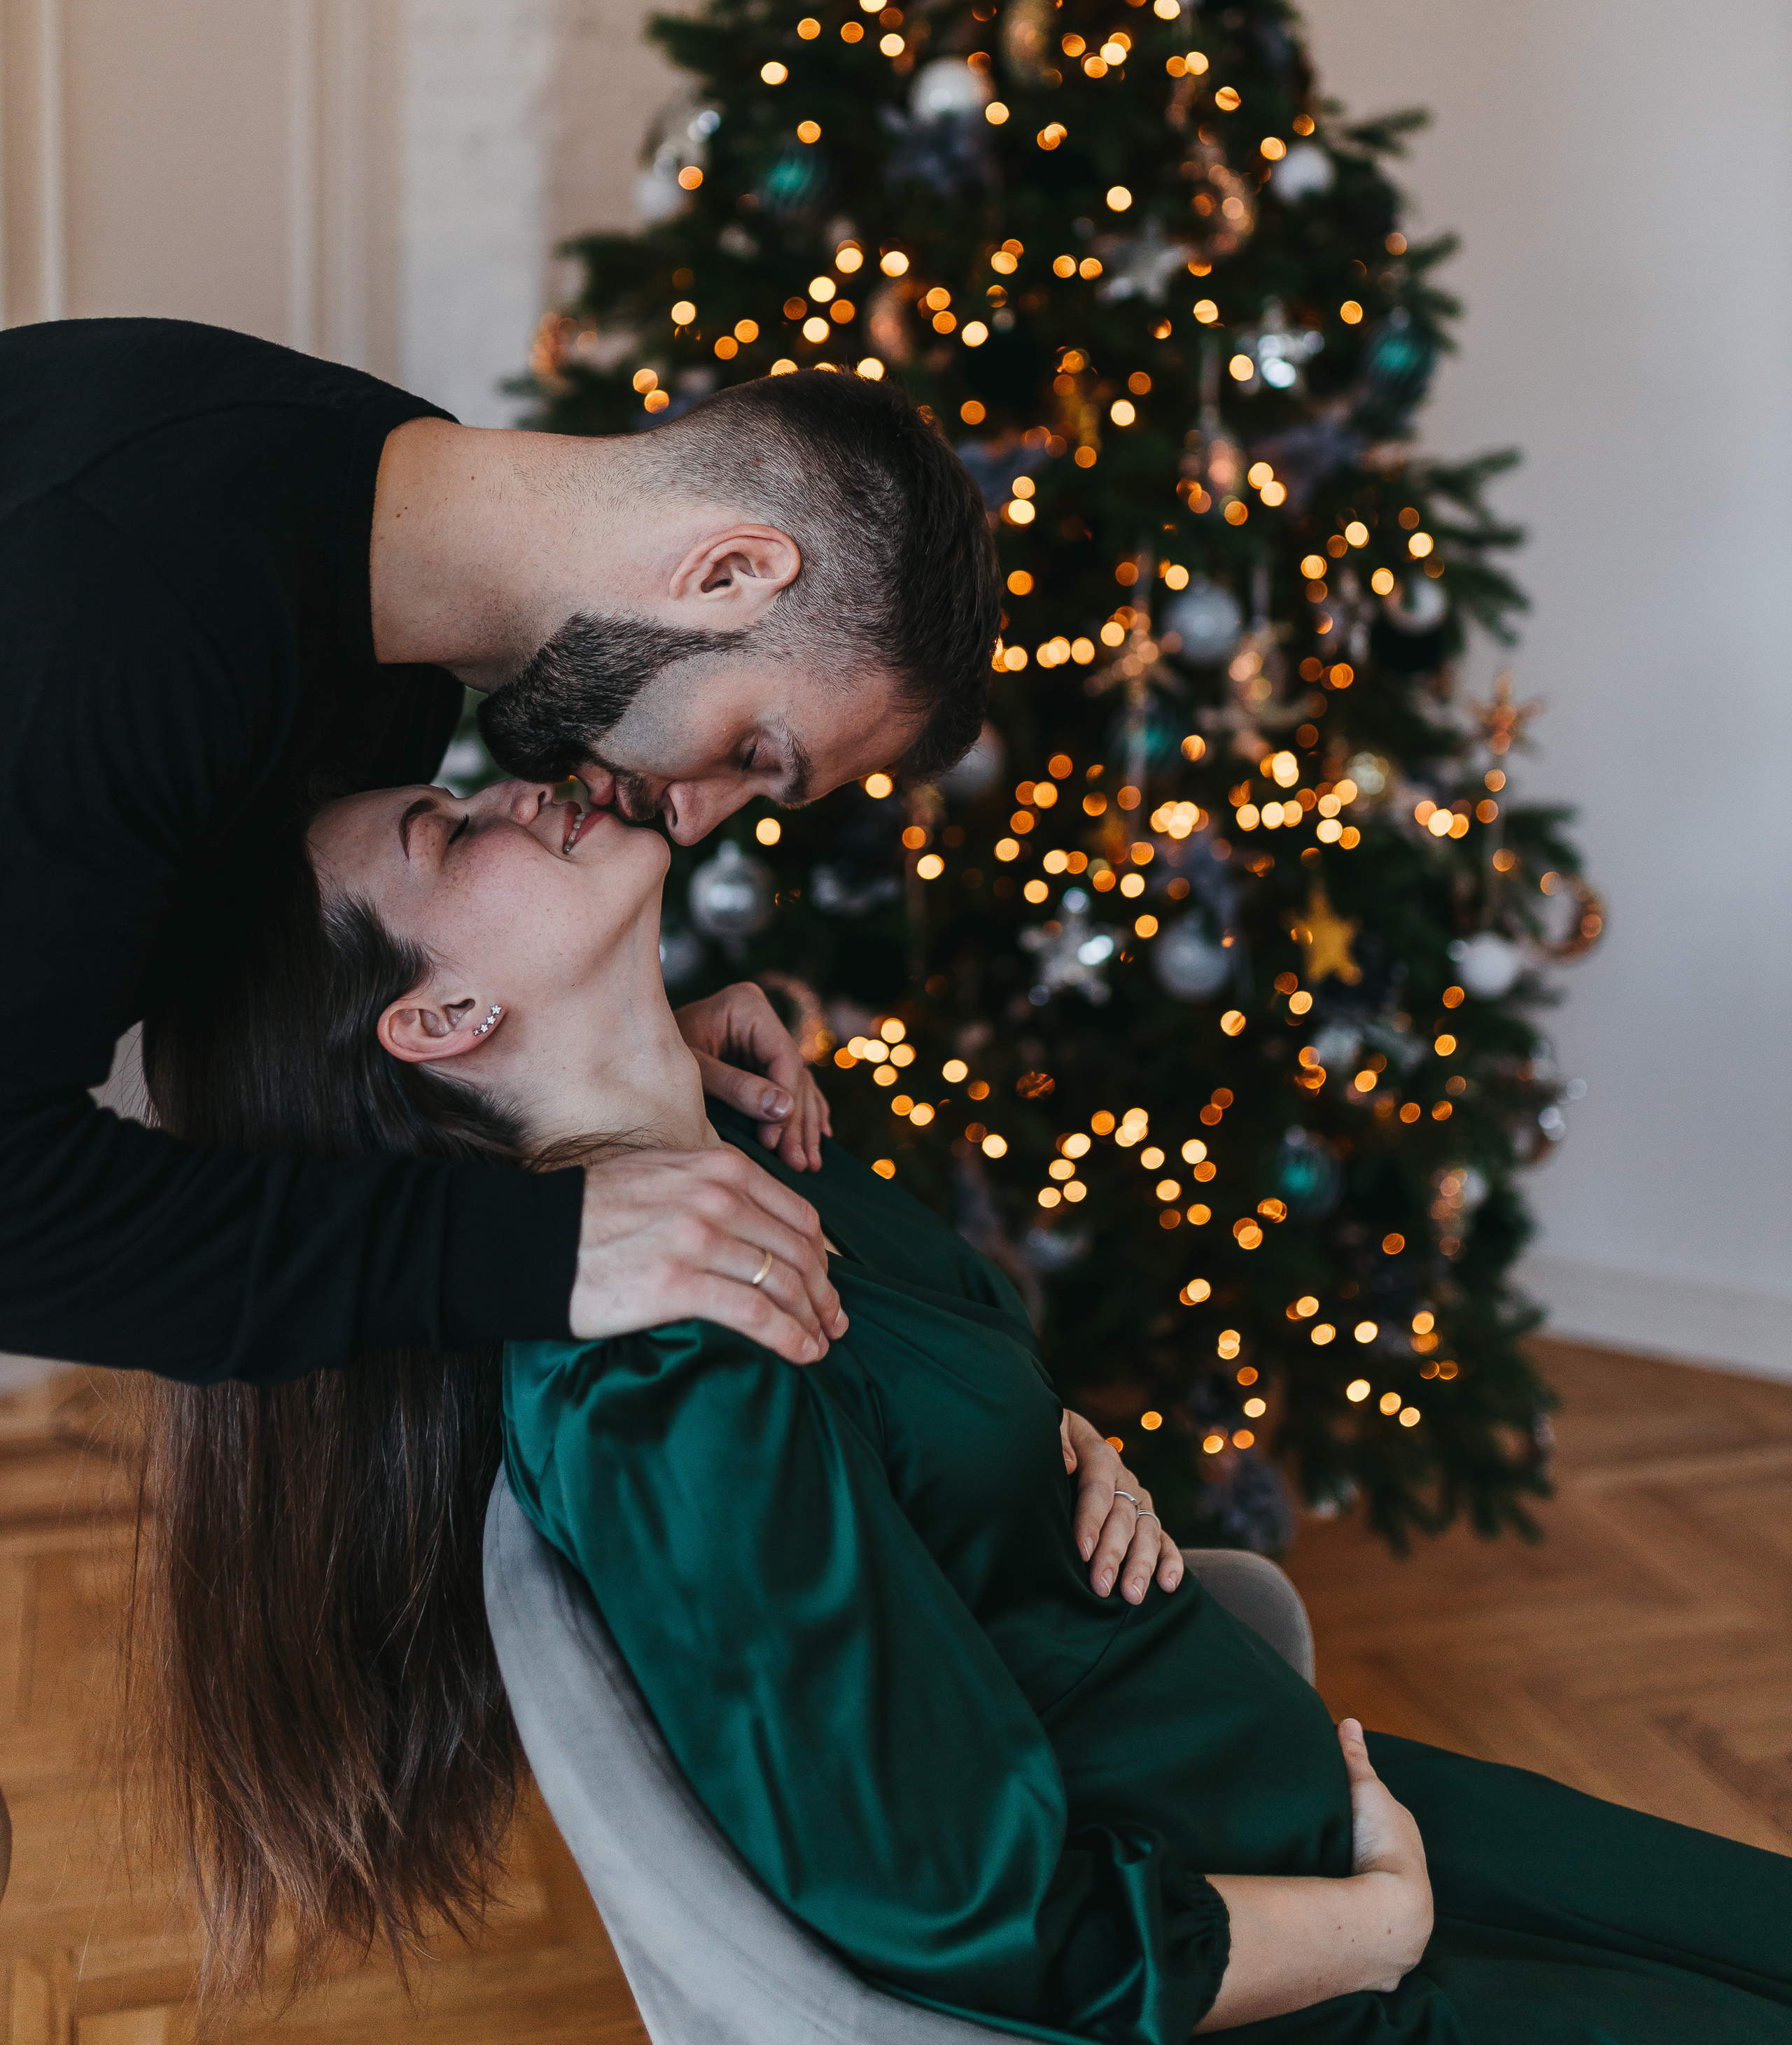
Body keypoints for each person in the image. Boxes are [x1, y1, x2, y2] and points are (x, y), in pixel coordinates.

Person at [136, 774, 1792, 2038]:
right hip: (1295, 1964)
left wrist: (1071, 1449)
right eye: (448, 828)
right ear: (438, 1020)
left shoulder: (734, 1186)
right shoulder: (668, 1373)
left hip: (1313, 1801)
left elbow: (925, 1464)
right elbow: (955, 1902)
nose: (518, 785)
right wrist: (1373, 1936)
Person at [0, 316, 997, 1384]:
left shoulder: (383, 597)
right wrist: (550, 1245)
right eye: (755, 752)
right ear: (730, 574)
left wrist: (601, 1068)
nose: (697, 821)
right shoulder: (115, 592)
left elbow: (255, 1026)